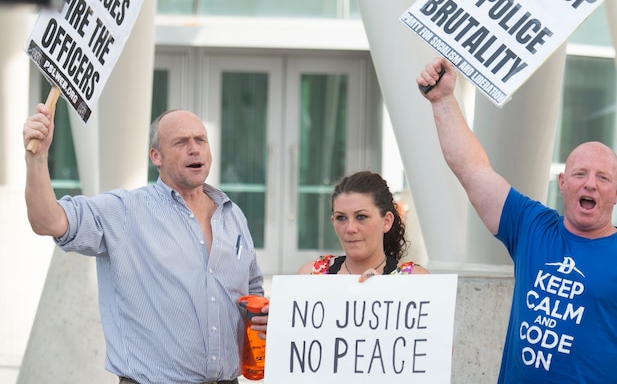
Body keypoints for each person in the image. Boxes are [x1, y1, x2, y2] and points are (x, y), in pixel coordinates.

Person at [417, 57, 617, 383]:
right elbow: (473, 170)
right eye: (579, 174)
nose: (590, 183)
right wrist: (443, 99)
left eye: (602, 178)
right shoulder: (531, 226)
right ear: (562, 183)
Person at [23, 105, 267, 384]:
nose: (194, 149)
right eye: (181, 142)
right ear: (156, 156)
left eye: (200, 140)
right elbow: (47, 221)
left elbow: (253, 296)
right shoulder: (125, 211)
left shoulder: (232, 215)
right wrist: (38, 158)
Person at [297, 171, 429, 281]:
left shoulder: (415, 280)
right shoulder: (310, 275)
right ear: (333, 222)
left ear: (387, 221)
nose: (350, 228)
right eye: (341, 218)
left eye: (361, 217)